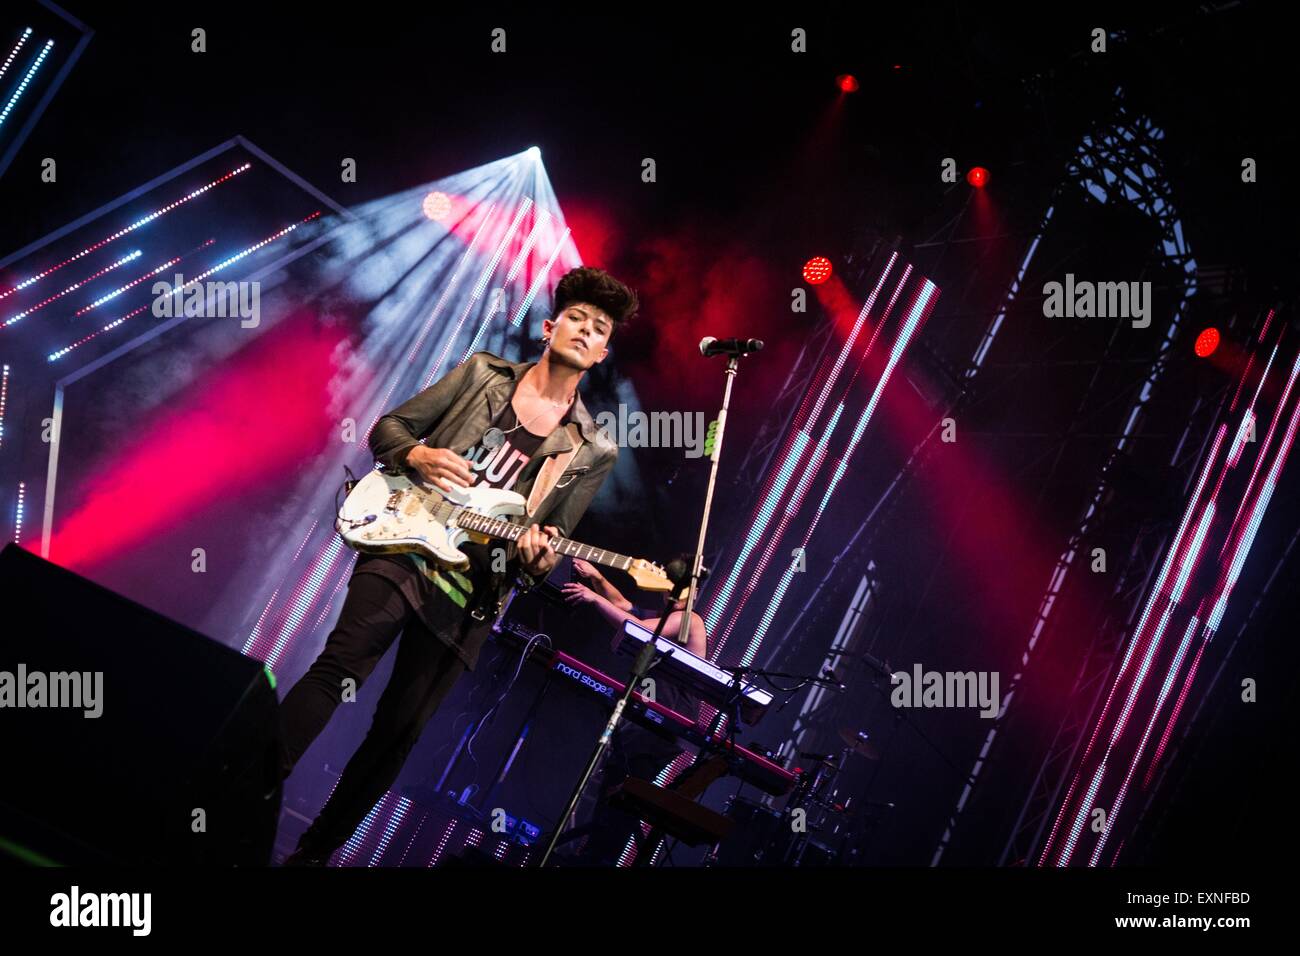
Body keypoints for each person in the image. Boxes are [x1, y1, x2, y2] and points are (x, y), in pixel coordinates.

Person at [278, 267, 638, 865]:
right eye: (576, 317)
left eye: (599, 328)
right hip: (406, 544)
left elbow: (548, 542)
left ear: (602, 352)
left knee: (399, 731)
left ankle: (312, 856)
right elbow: (389, 428)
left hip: (471, 591)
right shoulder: (481, 374)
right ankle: (242, 789)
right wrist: (418, 452)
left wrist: (536, 557)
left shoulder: (592, 448)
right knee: (338, 668)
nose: (586, 329)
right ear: (551, 327)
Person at [559, 555, 707, 865]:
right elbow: (627, 607)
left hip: (665, 725)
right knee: (615, 788)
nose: (669, 595)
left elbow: (637, 627)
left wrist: (593, 597)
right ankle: (594, 855)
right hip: (647, 722)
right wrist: (597, 578)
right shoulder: (669, 615)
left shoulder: (690, 619)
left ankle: (601, 857)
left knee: (626, 795)